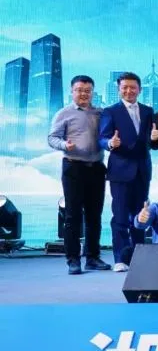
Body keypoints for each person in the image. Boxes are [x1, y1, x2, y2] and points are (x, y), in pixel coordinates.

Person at [47, 75, 110, 274]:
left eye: (87, 90)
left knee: (94, 216)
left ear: (92, 92)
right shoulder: (63, 113)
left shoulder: (101, 113)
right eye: (79, 90)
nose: (83, 94)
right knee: (73, 216)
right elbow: (52, 138)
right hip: (73, 167)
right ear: (72, 91)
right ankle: (73, 260)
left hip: (97, 168)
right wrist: (64, 144)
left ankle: (92, 258)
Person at [98, 72, 153, 272]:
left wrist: (156, 137)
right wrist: (110, 143)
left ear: (140, 89)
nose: (129, 91)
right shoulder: (110, 111)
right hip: (120, 170)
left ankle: (139, 258)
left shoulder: (148, 111)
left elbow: (151, 140)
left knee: (141, 215)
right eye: (125, 87)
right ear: (119, 89)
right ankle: (120, 258)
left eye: (133, 87)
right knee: (120, 216)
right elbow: (102, 138)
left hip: (142, 170)